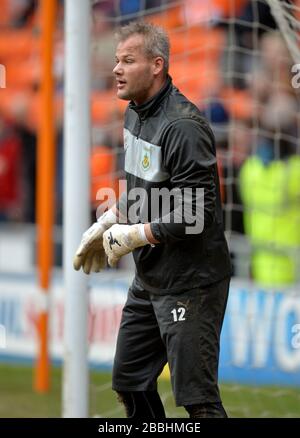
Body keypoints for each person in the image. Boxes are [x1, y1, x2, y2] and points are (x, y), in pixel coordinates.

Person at [73, 21, 231, 418]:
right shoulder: (134, 115)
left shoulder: (183, 126)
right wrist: (110, 220)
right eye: (116, 60)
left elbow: (197, 212)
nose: (116, 69)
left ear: (157, 65)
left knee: (198, 401)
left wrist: (134, 236)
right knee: (130, 382)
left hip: (192, 282)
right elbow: (146, 188)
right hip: (151, 278)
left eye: (128, 60)